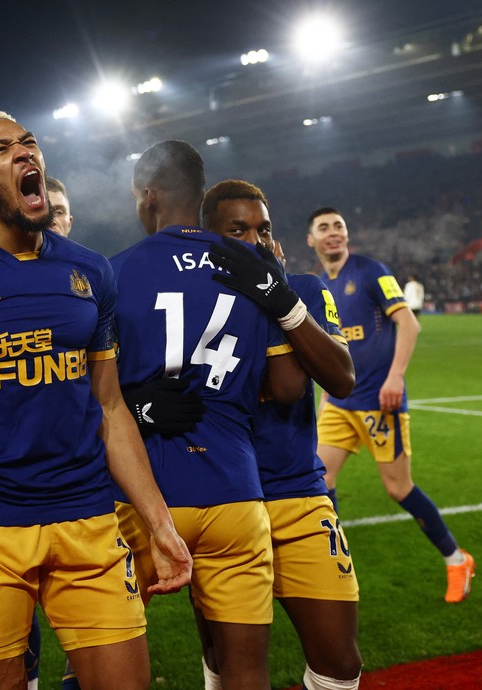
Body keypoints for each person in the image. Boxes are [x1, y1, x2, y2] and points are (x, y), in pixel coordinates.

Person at [0, 111, 192, 690]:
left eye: (29, 142)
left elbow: (111, 409)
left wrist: (158, 522)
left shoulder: (90, 272)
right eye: (2, 149)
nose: (26, 153)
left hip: (90, 523)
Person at [109, 141, 308, 690]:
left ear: (148, 196)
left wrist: (142, 404)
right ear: (199, 197)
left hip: (139, 498)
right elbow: (289, 385)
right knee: (245, 672)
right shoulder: (249, 267)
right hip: (235, 493)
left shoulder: (115, 273)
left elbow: (88, 396)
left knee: (106, 664)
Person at [197, 180, 362, 690]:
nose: (257, 239)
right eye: (238, 230)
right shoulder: (194, 304)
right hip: (222, 499)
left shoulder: (305, 289)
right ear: (210, 241)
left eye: (263, 228)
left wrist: (279, 296)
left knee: (341, 665)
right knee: (229, 664)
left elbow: (339, 377)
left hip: (298, 494)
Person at [306, 207, 476, 603]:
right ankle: (332, 565)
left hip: (380, 403)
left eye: (339, 227)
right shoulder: (317, 286)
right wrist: (325, 394)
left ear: (346, 235)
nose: (334, 233)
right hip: (339, 403)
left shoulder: (371, 271)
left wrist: (395, 376)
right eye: (324, 228)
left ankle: (456, 558)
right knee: (318, 482)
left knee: (398, 488)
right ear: (311, 241)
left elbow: (409, 322)